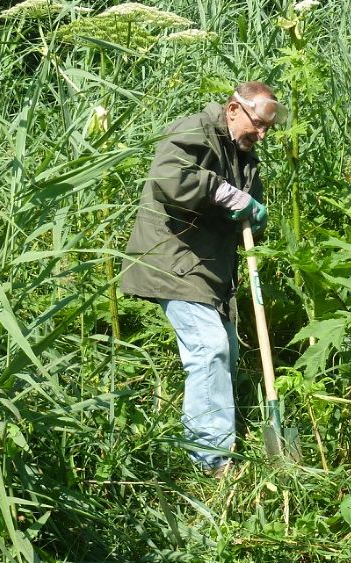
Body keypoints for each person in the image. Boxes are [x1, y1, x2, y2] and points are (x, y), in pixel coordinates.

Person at [119, 82, 287, 475]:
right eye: (258, 124)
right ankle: (210, 460)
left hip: (212, 269)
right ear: (233, 109)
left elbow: (244, 212)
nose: (261, 135)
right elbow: (169, 177)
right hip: (173, 259)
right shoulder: (195, 130)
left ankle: (215, 443)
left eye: (268, 129)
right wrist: (226, 194)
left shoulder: (245, 157)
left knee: (225, 347)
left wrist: (254, 214)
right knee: (210, 348)